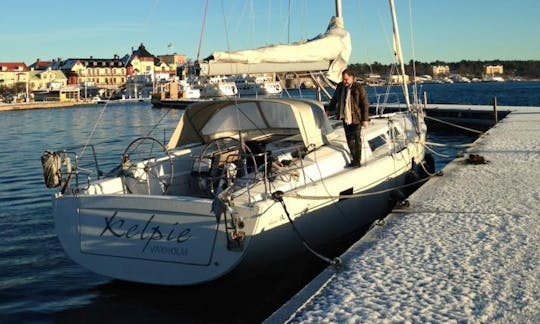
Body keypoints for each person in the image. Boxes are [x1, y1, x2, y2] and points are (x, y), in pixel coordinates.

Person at [327, 69, 370, 167]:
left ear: (352, 78)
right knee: (349, 139)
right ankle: (354, 158)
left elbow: (365, 104)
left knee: (357, 139)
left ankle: (357, 161)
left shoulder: (359, 88)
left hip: (356, 117)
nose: (344, 81)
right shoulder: (340, 87)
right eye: (343, 79)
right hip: (345, 116)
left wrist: (365, 119)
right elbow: (334, 99)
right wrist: (329, 109)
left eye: (346, 79)